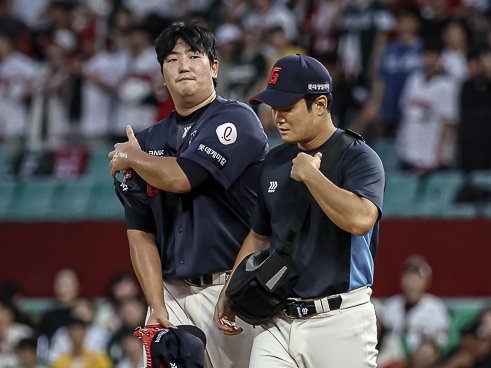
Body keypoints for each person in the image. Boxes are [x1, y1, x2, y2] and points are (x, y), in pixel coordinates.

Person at [108, 22, 268, 368]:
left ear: (214, 68)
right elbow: (140, 233)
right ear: (162, 74)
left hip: (231, 287)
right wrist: (157, 305)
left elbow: (184, 177)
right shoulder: (149, 141)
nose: (182, 65)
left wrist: (132, 157)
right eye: (171, 59)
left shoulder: (237, 119)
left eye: (194, 56)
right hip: (172, 291)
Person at [215, 54, 385, 368]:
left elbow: (360, 220)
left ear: (320, 104)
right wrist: (231, 288)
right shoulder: (275, 161)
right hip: (276, 318)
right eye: (273, 107)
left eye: (287, 107)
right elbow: (258, 235)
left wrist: (312, 176)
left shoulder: (358, 157)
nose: (277, 116)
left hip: (339, 320)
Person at [383, 255, 450, 355]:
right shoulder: (392, 305)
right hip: (394, 357)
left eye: (416, 279)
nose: (412, 284)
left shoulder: (435, 307)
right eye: (408, 278)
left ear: (426, 282)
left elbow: (442, 341)